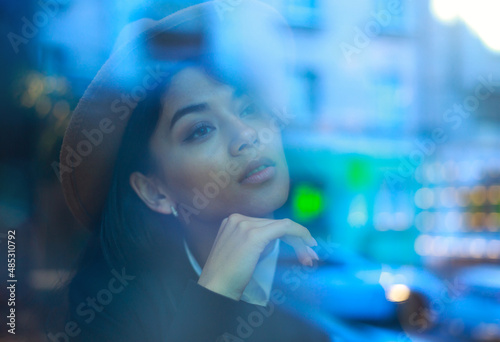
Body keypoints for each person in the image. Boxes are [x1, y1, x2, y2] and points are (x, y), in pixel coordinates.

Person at [55, 1, 332, 341]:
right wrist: (217, 290)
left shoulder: (324, 275)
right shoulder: (110, 301)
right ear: (155, 190)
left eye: (248, 109)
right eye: (200, 130)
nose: (245, 135)